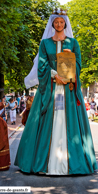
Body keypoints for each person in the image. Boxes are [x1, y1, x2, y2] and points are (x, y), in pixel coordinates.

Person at [14, 8, 97, 175]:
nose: (59, 24)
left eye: (62, 21)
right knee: (45, 120)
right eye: (56, 21)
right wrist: (54, 76)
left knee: (70, 120)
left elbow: (79, 65)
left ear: (65, 23)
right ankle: (41, 163)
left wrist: (70, 67)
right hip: (50, 89)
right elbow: (42, 66)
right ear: (52, 23)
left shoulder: (73, 42)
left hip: (68, 89)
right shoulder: (44, 43)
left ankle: (73, 164)